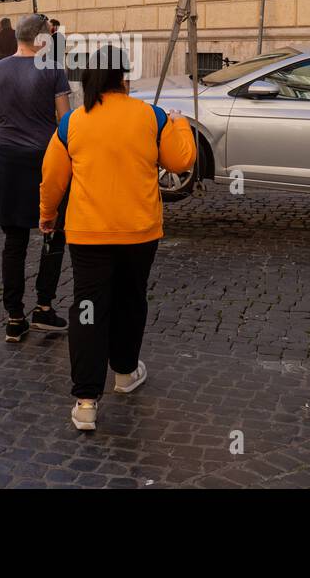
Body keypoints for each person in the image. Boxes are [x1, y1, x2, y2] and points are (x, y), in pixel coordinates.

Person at [39, 45, 196, 431]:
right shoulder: (151, 116)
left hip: (88, 233)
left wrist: (46, 217)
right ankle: (125, 373)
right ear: (123, 78)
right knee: (130, 300)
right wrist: (178, 124)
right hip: (139, 233)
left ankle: (87, 401)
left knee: (89, 309)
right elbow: (182, 162)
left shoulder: (73, 122)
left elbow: (53, 177)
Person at [0, 15, 72, 343]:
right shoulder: (53, 71)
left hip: (6, 160)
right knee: (53, 234)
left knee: (14, 242)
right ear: (38, 40)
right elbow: (65, 122)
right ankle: (44, 308)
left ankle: (14, 318)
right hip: (45, 162)